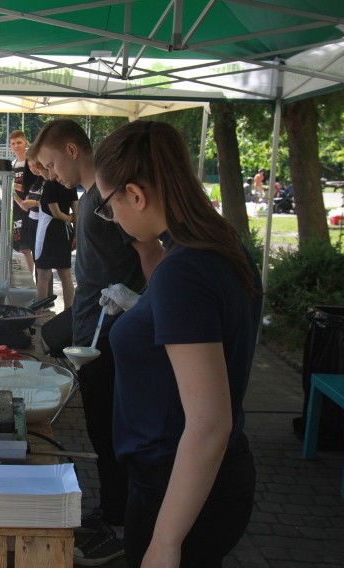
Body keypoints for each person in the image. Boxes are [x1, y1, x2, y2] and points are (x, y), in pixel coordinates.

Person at [95, 121, 261, 568]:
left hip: (178, 484)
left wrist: (165, 541)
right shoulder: (220, 245)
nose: (113, 220)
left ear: (136, 193)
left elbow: (209, 423)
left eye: (109, 206)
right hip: (195, 479)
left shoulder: (185, 270)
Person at [30, 118, 163, 566]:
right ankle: (109, 512)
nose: (49, 175)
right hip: (91, 326)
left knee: (109, 432)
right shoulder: (90, 198)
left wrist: (142, 305)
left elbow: (150, 253)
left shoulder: (109, 200)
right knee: (97, 427)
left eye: (50, 164)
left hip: (112, 333)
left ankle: (121, 526)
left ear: (72, 149)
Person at [30, 160, 77, 310]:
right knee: (66, 276)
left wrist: (69, 218)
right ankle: (69, 311)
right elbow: (77, 211)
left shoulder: (50, 185)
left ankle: (38, 310)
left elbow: (55, 212)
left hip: (49, 233)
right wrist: (75, 233)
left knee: (43, 275)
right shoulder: (70, 185)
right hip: (64, 233)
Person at [9, 130, 37, 274]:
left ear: (26, 143)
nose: (16, 146)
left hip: (31, 208)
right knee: (18, 247)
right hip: (16, 209)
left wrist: (14, 186)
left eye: (19, 142)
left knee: (26, 248)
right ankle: (22, 278)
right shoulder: (12, 164)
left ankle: (29, 279)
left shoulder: (31, 162)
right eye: (13, 143)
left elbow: (34, 186)